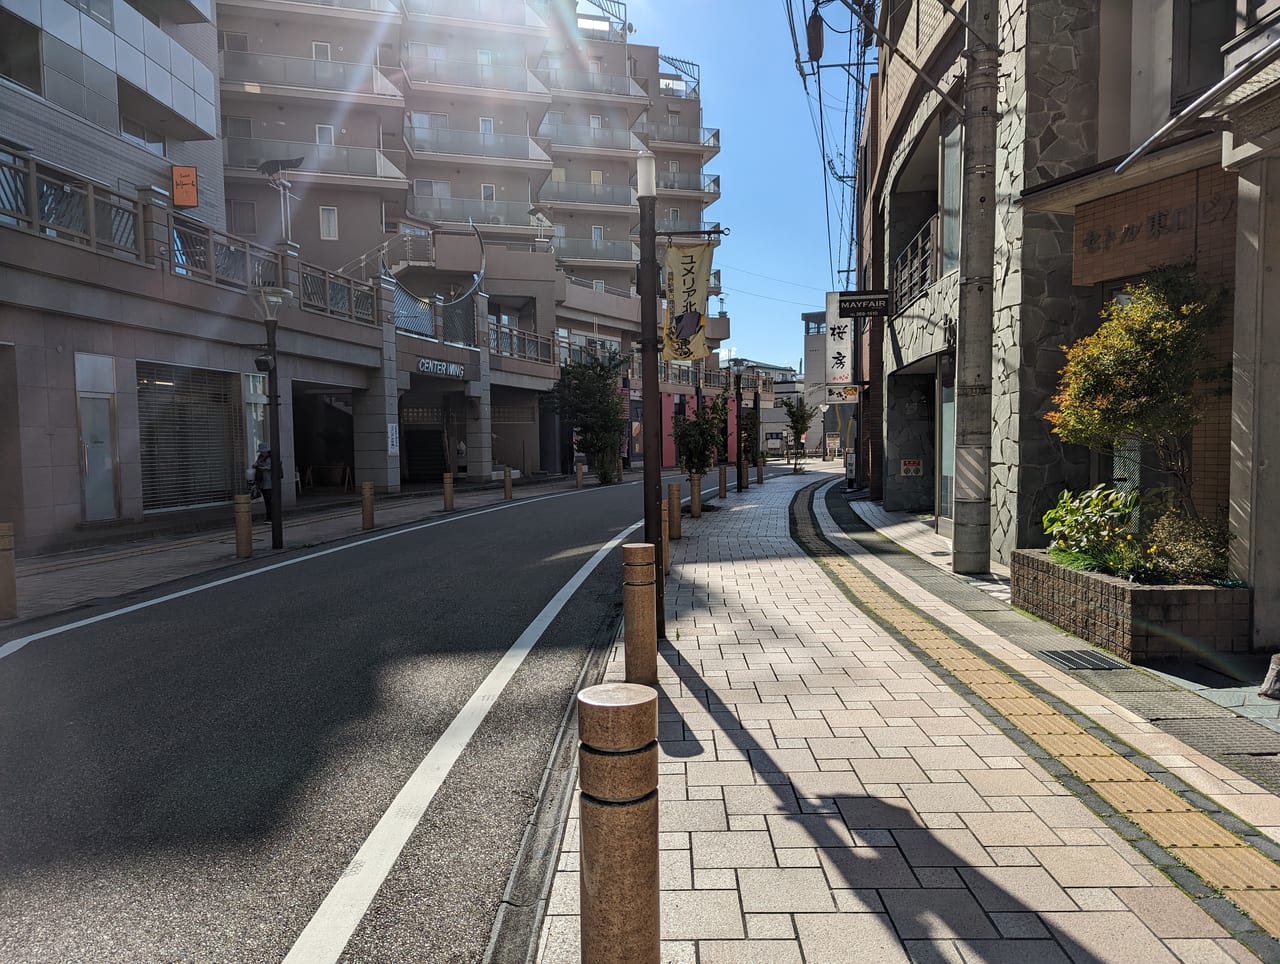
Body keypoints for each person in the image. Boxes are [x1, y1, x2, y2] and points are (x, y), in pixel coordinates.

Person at [253, 442, 274, 521]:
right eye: (261, 451)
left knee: (269, 501)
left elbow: (272, 467)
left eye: (263, 451)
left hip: (269, 483)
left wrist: (264, 467)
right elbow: (257, 464)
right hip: (262, 482)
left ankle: (270, 518)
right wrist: (255, 465)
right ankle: (269, 517)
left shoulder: (271, 458)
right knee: (266, 501)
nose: (262, 453)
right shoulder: (260, 457)